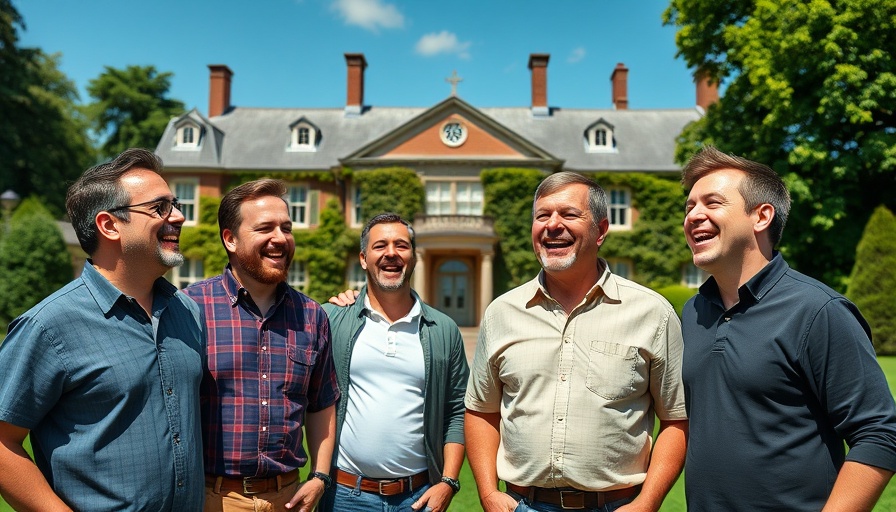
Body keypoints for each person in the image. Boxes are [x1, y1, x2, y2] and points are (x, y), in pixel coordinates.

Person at [680, 146, 896, 511]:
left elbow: (879, 433)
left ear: (761, 216)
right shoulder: (693, 312)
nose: (693, 216)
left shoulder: (818, 310)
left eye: (712, 203)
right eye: (689, 207)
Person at [465, 171, 688, 512]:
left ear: (600, 230)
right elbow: (481, 410)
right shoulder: (501, 313)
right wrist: (487, 493)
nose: (553, 225)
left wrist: (646, 503)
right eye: (542, 216)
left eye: (569, 214)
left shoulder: (652, 313)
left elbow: (675, 418)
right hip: (523, 504)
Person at [0, 148, 205, 511]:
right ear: (109, 225)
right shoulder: (49, 326)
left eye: (174, 203)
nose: (179, 215)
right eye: (160, 207)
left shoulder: (187, 311)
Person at [184, 178, 339, 512]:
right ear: (230, 238)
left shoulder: (312, 316)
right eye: (265, 228)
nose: (280, 239)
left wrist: (320, 476)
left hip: (290, 498)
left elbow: (322, 403)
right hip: (212, 498)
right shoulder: (189, 309)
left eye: (286, 227)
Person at [318, 213, 469, 512]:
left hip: (419, 497)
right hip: (346, 497)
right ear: (363, 258)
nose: (391, 253)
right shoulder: (331, 319)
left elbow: (457, 411)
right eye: (380, 246)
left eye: (401, 245)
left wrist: (448, 482)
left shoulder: (443, 329)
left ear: (413, 257)